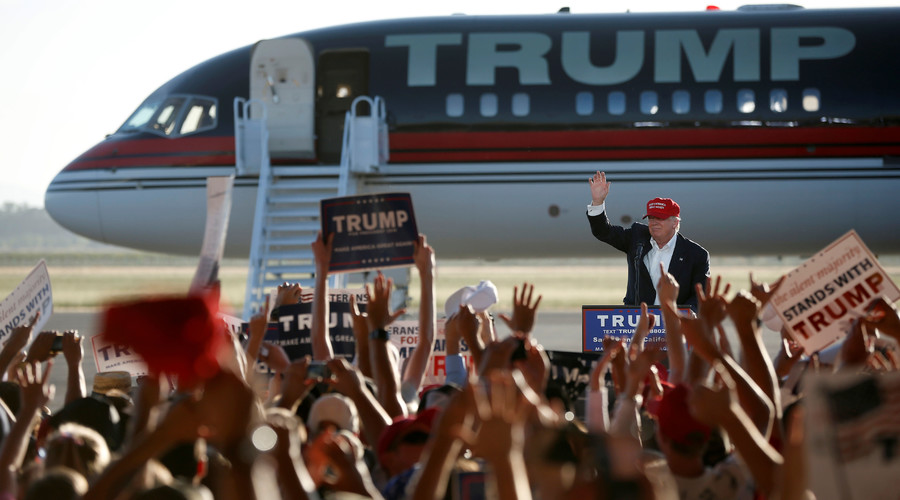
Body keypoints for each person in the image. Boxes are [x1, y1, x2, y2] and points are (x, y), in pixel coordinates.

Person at [587, 170, 710, 310]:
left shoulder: (696, 254)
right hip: (637, 323)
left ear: (675, 223)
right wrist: (597, 202)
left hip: (673, 325)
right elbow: (603, 232)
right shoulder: (637, 237)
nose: (654, 223)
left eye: (660, 218)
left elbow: (700, 297)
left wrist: (681, 317)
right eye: (651, 218)